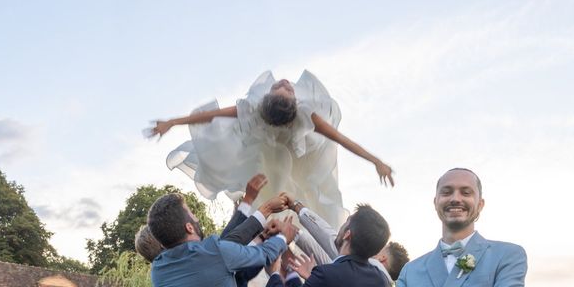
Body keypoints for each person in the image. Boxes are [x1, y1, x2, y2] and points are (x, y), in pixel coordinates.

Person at [150, 70, 394, 229]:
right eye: (285, 88)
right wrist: (172, 122)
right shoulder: (259, 110)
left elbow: (341, 139)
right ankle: (268, 226)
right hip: (267, 156)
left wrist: (375, 161)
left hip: (300, 157)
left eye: (285, 88)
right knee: (273, 189)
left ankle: (297, 226)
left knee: (306, 192)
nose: (286, 83)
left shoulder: (300, 115)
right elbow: (210, 116)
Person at [397, 168, 527, 287]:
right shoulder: (410, 271)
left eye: (466, 193)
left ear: (480, 205)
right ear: (435, 203)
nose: (455, 198)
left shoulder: (508, 255)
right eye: (447, 192)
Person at [147, 192, 298, 287]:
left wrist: (263, 232)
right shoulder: (215, 252)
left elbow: (226, 246)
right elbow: (265, 254)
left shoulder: (158, 271)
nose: (197, 218)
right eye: (192, 214)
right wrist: (283, 236)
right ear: (189, 228)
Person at [283, 193, 406, 284]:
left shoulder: (332, 273)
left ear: (382, 258)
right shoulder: (377, 279)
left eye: (347, 221)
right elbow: (333, 261)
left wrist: (281, 245)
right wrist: (295, 233)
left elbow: (330, 240)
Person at [266, 204, 391, 287]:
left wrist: (275, 272)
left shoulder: (326, 275)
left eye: (346, 221)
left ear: (347, 234)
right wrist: (310, 277)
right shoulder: (381, 280)